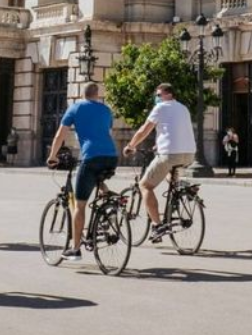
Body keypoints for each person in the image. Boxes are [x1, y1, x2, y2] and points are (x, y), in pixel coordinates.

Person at [47, 81, 117, 260]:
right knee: (97, 178)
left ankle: (75, 248)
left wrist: (52, 156)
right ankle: (109, 204)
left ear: (82, 93)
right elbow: (106, 131)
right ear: (97, 94)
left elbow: (60, 135)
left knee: (80, 205)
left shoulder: (76, 108)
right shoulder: (106, 110)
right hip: (111, 156)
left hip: (91, 156)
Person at [124, 83, 196, 242]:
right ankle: (179, 191)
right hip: (189, 154)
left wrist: (131, 146)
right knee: (169, 173)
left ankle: (157, 225)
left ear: (168, 94)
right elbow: (174, 130)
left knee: (145, 185)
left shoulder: (161, 108)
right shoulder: (183, 108)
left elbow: (144, 130)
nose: (156, 98)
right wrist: (159, 144)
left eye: (158, 95)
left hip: (169, 155)